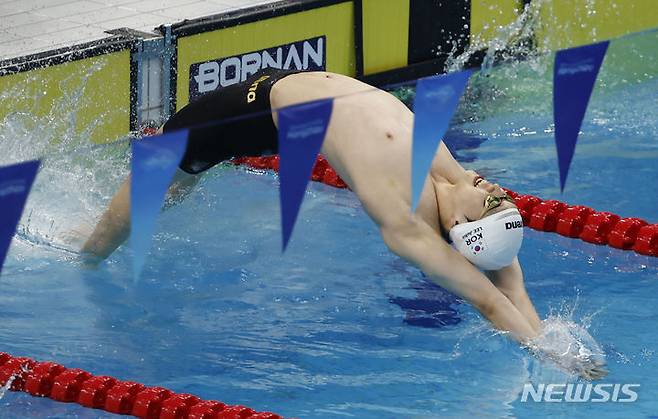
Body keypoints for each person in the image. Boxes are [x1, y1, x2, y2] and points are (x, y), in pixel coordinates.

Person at [81, 68, 607, 379]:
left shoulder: (403, 216)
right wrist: (542, 332)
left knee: (144, 192)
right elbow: (505, 270)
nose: (497, 190)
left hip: (254, 111)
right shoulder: (451, 177)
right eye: (505, 199)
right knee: (173, 186)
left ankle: (76, 252)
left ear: (465, 224)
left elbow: (488, 297)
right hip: (290, 100)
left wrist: (544, 355)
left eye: (494, 203)